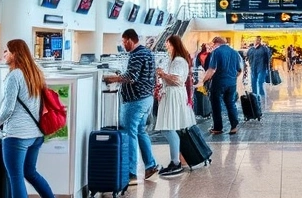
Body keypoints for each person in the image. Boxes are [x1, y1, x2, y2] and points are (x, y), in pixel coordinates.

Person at [0, 39, 67, 198]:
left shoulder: (14, 76)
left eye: (6, 50)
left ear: (16, 53)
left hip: (16, 135)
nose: (4, 54)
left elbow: (8, 108)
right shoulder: (35, 73)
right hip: (36, 134)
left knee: (15, 178)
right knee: (30, 173)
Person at [102, 29, 160, 181]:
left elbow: (131, 77)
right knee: (141, 131)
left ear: (129, 40)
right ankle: (150, 165)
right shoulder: (148, 53)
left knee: (129, 133)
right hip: (147, 98)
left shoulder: (136, 55)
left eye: (123, 41)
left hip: (135, 101)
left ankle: (131, 172)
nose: (123, 45)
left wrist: (111, 79)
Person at [155, 35, 197, 177]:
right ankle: (175, 160)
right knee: (169, 128)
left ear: (173, 44)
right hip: (172, 95)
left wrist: (162, 74)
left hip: (174, 95)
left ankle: (175, 162)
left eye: (167, 43)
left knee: (168, 128)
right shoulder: (175, 60)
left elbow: (177, 80)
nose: (166, 45)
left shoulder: (178, 61)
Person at [198, 36, 242, 136]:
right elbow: (239, 71)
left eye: (213, 44)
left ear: (216, 43)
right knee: (230, 103)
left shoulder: (216, 52)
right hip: (231, 83)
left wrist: (203, 80)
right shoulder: (234, 52)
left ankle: (218, 128)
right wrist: (232, 78)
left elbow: (212, 70)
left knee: (216, 105)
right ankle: (234, 127)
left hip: (218, 83)